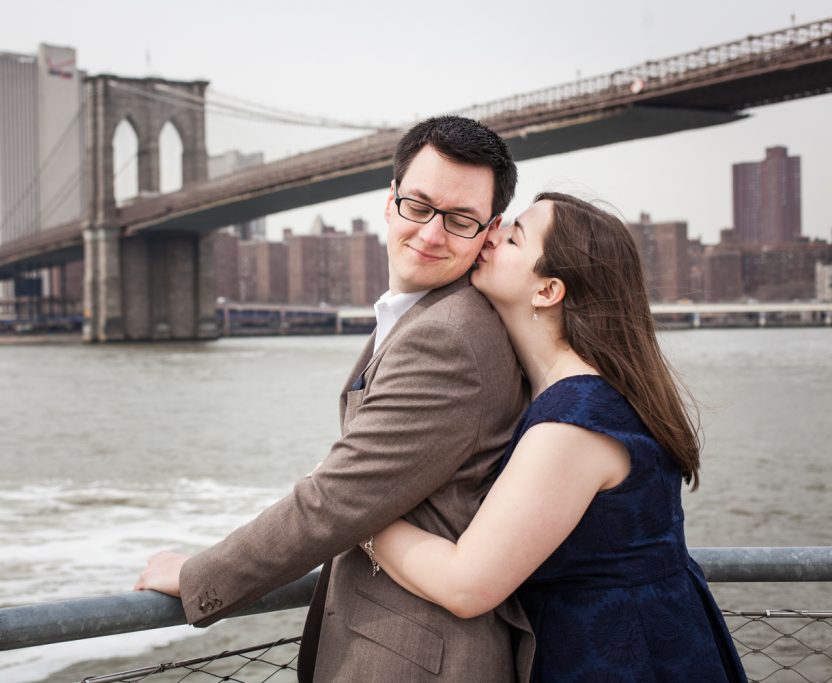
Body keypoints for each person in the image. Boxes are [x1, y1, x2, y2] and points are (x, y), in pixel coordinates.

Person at [134, 116, 537, 682]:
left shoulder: (451, 336)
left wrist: (200, 575)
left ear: (490, 230)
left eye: (460, 219)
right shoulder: (428, 313)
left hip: (418, 661)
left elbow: (338, 500)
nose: (429, 233)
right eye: (417, 206)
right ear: (389, 202)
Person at [366, 193, 748, 682]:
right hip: (651, 640)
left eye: (514, 236)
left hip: (613, 657)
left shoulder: (574, 425)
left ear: (547, 291)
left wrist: (359, 520)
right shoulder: (584, 394)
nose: (491, 233)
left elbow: (467, 586)